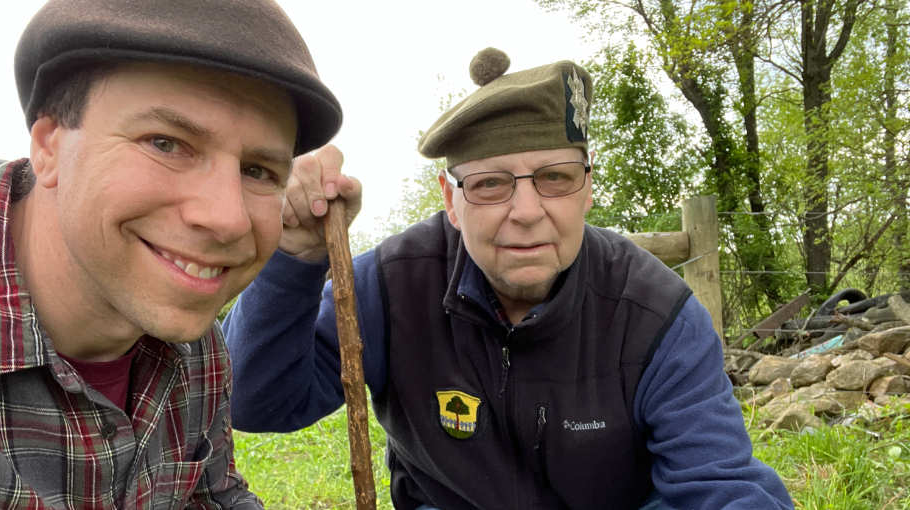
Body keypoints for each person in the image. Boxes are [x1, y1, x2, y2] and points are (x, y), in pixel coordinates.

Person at [222, 48, 794, 509]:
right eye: (491, 184)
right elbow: (255, 401)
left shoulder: (654, 312)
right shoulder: (392, 286)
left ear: (587, 188)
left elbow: (721, 488)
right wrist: (295, 257)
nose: (525, 211)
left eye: (555, 177)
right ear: (451, 199)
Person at [0, 0, 347, 507]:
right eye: (165, 143)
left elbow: (212, 494)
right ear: (49, 146)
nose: (228, 218)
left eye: (257, 171)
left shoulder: (192, 343)